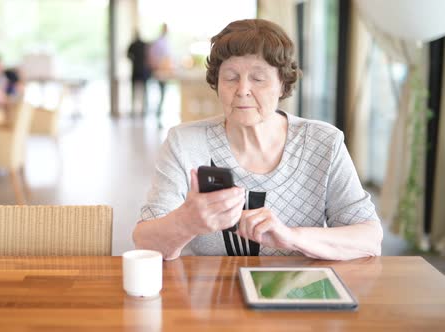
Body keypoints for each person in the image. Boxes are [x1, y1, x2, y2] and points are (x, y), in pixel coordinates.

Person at [133, 19, 383, 261]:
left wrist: (291, 237)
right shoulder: (185, 143)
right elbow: (145, 242)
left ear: (283, 84)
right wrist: (186, 222)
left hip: (299, 295)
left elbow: (369, 238)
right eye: (230, 77)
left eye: (258, 78)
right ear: (217, 83)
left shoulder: (323, 142)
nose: (242, 90)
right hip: (209, 297)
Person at [148, 23, 173, 121]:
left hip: (164, 71)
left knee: (162, 93)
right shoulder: (159, 42)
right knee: (161, 93)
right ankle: (158, 114)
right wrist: (157, 67)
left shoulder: (164, 41)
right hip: (160, 71)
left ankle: (159, 114)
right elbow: (154, 57)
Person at [127, 30, 151, 115]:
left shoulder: (133, 45)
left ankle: (135, 110)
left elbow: (128, 55)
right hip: (143, 71)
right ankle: (144, 109)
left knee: (135, 91)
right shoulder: (144, 45)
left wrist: (135, 60)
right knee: (144, 90)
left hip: (136, 70)